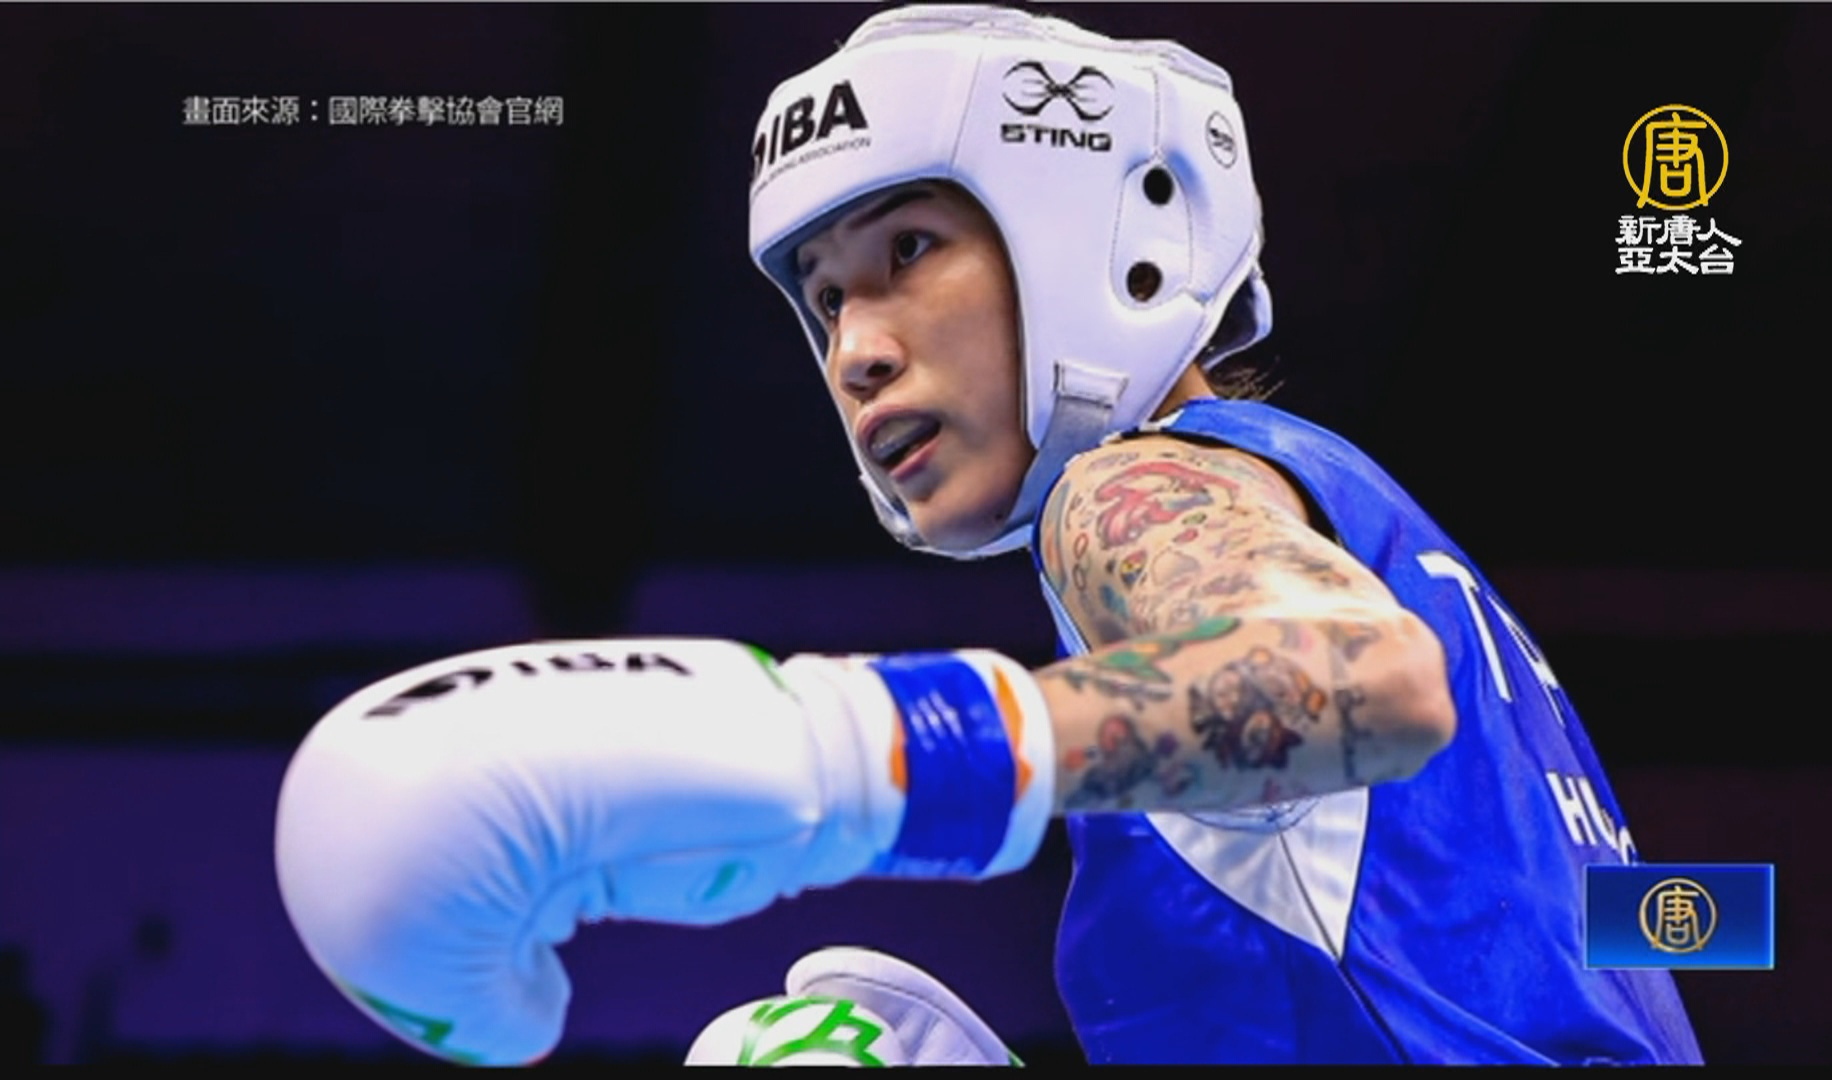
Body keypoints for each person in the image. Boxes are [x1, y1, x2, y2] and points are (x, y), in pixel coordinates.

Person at [273, 3, 1703, 1066]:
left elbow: (1360, 682)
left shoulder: (1134, 490)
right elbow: (1595, 957)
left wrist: (850, 754)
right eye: (826, 300)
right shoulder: (1407, 552)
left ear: (1106, 239)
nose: (855, 350)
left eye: (907, 251)